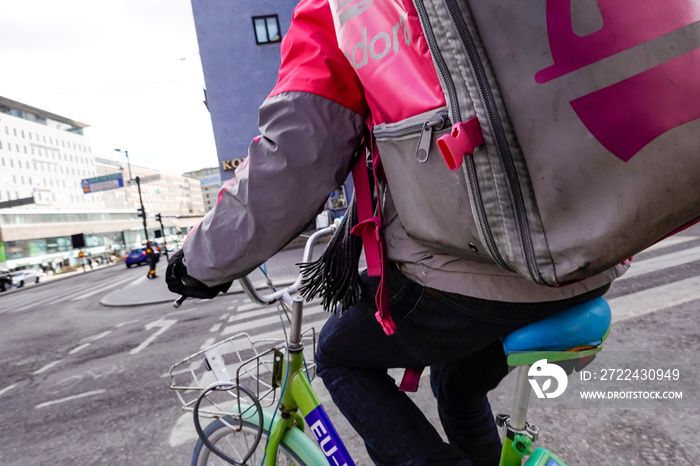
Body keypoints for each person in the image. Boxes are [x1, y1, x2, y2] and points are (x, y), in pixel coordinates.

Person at [166, 1, 627, 464]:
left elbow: (294, 155)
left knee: (337, 355)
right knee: (456, 386)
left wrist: (201, 261)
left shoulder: (343, 8)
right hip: (595, 246)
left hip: (492, 262)